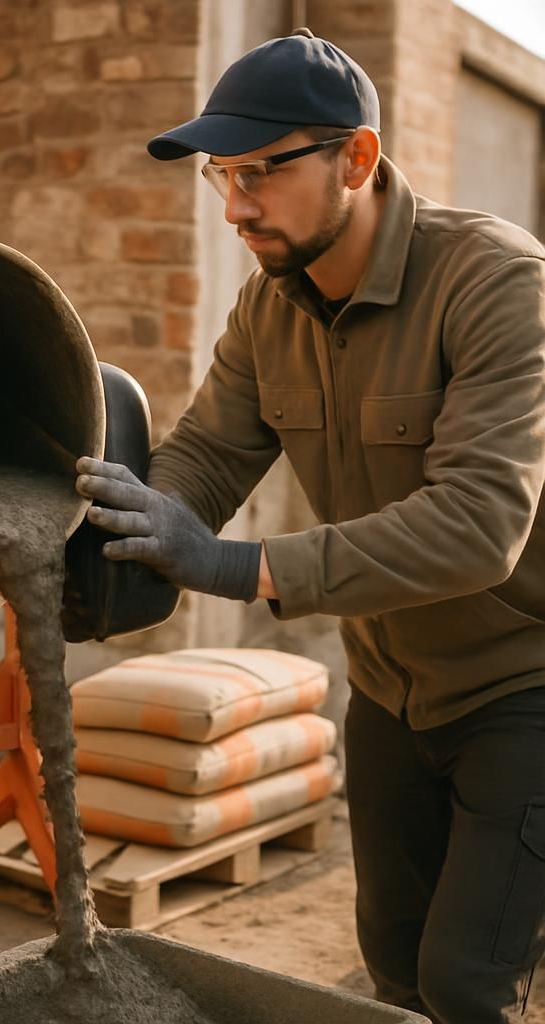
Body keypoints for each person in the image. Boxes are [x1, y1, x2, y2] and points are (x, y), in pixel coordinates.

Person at [75, 27, 545, 1024]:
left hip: (524, 686)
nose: (236, 205)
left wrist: (235, 565)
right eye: (220, 176)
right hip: (388, 690)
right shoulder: (269, 310)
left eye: (260, 172)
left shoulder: (498, 283)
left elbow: (477, 525)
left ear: (357, 160)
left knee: (468, 982)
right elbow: (204, 458)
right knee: (394, 967)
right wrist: (110, 540)